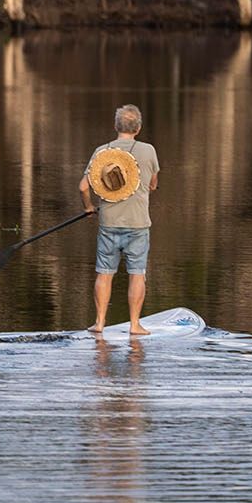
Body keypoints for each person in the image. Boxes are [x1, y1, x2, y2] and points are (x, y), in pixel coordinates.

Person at [79, 103, 161, 336]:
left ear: (116, 126)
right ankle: (135, 325)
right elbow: (153, 183)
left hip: (109, 223)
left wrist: (88, 208)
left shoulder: (101, 151)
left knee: (104, 272)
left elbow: (84, 187)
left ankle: (100, 323)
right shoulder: (148, 151)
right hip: (138, 224)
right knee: (137, 273)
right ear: (139, 128)